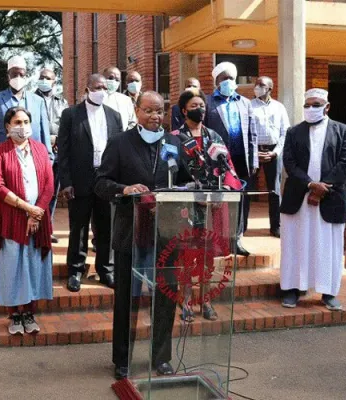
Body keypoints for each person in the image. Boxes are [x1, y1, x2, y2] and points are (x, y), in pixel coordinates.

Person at [95, 91, 188, 380]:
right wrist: (123, 190)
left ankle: (161, 358)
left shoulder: (173, 143)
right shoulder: (120, 143)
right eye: (148, 111)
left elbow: (186, 180)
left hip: (166, 233)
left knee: (165, 296)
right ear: (137, 111)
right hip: (130, 233)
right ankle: (122, 359)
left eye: (159, 111)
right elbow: (100, 183)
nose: (154, 117)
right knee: (126, 297)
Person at [172, 88, 243, 322]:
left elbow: (228, 166)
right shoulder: (174, 137)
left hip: (212, 204)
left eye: (202, 105)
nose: (199, 110)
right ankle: (186, 301)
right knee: (186, 255)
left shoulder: (215, 136)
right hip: (186, 205)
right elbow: (168, 171)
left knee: (207, 255)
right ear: (184, 110)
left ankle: (206, 301)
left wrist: (231, 187)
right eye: (194, 106)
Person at [280, 88, 346, 312]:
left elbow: (344, 163)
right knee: (295, 244)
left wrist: (320, 190)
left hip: (331, 198)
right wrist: (310, 184)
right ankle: (292, 289)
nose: (311, 109)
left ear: (327, 107)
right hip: (299, 197)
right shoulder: (293, 132)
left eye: (316, 105)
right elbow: (289, 163)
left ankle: (328, 293)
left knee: (329, 246)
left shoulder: (343, 131)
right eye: (307, 105)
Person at [0, 107, 54, 335]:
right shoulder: (0, 152)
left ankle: (29, 312)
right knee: (12, 267)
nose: (22, 126)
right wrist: (27, 209)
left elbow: (49, 185)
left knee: (34, 266)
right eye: (17, 122)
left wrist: (37, 214)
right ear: (7, 126)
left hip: (38, 220)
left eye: (26, 121)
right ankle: (15, 313)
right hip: (11, 219)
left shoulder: (41, 149)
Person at [58, 74, 123, 292]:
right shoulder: (71, 115)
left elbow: (120, 152)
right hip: (80, 180)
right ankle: (76, 270)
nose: (102, 90)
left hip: (106, 180)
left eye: (105, 87)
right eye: (98, 87)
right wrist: (66, 181)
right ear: (87, 89)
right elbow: (63, 152)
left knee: (106, 227)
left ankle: (106, 270)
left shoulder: (114, 116)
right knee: (79, 227)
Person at [204, 62, 257, 256]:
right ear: (216, 81)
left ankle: (237, 238)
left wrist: (254, 161)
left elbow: (252, 134)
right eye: (223, 78)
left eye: (231, 78)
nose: (227, 82)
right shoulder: (208, 103)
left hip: (241, 159)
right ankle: (218, 239)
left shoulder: (245, 102)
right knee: (220, 199)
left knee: (242, 200)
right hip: (219, 161)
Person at [0, 55, 53, 164]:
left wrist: (49, 159)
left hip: (34, 160)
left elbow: (44, 133)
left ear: (26, 76)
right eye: (14, 74)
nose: (18, 77)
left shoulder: (38, 101)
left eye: (21, 74)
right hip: (5, 161)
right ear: (8, 76)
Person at [251, 76, 290, 238]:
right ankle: (242, 227)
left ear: (270, 88)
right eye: (256, 85)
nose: (257, 87)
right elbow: (245, 132)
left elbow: (285, 132)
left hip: (273, 152)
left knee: (274, 191)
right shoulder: (249, 106)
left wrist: (275, 152)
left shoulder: (279, 107)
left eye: (261, 85)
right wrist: (254, 153)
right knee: (248, 190)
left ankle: (276, 226)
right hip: (254, 152)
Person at [35, 67, 68, 243]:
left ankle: (48, 227)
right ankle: (35, 226)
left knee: (52, 192)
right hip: (38, 152)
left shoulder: (62, 102)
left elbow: (67, 126)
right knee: (36, 191)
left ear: (54, 82)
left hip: (57, 153)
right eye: (42, 77)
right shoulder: (31, 99)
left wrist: (58, 140)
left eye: (48, 78)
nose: (45, 80)